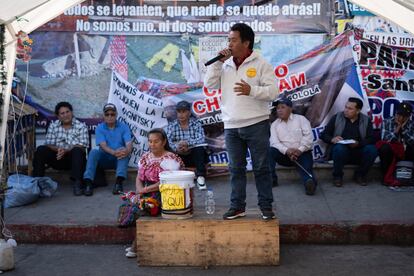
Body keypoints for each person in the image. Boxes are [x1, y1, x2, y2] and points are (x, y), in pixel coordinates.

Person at [204, 23, 278, 220]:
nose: (229, 43)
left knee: (261, 168)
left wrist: (252, 90)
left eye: (233, 40)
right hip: (231, 126)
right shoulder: (225, 64)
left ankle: (265, 206)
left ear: (246, 43)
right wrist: (218, 62)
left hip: (257, 124)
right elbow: (209, 85)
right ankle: (237, 206)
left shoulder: (261, 63)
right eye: (228, 40)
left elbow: (273, 92)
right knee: (236, 169)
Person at [125, 128, 184, 258]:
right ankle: (138, 242)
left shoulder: (171, 159)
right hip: (146, 191)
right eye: (150, 142)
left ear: (163, 142)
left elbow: (166, 182)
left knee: (143, 208)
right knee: (129, 205)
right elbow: (139, 177)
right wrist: (139, 191)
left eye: (156, 141)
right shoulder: (146, 157)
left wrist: (144, 190)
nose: (152, 144)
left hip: (165, 194)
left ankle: (136, 245)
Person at [33, 101, 89, 196]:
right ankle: (38, 183)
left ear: (72, 113)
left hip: (74, 160)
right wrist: (59, 150)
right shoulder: (54, 126)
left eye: (68, 112)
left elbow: (83, 146)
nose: (66, 115)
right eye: (62, 113)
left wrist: (66, 150)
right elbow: (49, 144)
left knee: (77, 150)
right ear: (58, 116)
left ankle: (78, 184)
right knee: (41, 149)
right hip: (57, 157)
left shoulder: (81, 126)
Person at [321, 97, 378, 187]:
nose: (346, 110)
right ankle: (337, 176)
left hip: (358, 151)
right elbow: (323, 135)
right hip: (341, 152)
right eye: (346, 107)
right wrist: (332, 139)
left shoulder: (366, 120)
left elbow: (371, 139)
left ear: (358, 111)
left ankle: (360, 175)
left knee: (372, 150)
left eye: (350, 108)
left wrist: (358, 143)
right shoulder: (337, 117)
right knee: (339, 148)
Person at [269, 98, 317, 195]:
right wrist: (287, 150)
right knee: (270, 151)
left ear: (290, 109)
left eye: (283, 107)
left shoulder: (301, 119)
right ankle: (272, 180)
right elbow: (274, 142)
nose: (279, 110)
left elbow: (308, 137)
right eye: (278, 108)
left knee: (307, 169)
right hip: (284, 156)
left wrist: (299, 150)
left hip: (302, 154)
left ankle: (309, 184)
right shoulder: (274, 125)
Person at [83, 103, 132, 196]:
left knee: (124, 152)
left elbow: (129, 143)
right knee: (93, 152)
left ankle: (118, 183)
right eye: (107, 114)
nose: (110, 116)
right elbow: (103, 146)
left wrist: (126, 150)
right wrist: (114, 152)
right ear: (104, 116)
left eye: (112, 114)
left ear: (116, 115)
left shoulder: (124, 127)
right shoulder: (100, 128)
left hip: (118, 159)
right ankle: (88, 183)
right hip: (105, 158)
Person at [166, 100, 208, 190]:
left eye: (184, 111)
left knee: (199, 148)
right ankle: (172, 178)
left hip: (194, 156)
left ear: (189, 113)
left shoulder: (196, 123)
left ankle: (201, 177)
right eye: (179, 112)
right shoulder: (172, 125)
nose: (181, 114)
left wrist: (187, 144)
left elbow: (201, 138)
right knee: (167, 150)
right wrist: (177, 147)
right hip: (179, 156)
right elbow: (168, 141)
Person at [377, 102, 413, 185]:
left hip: (406, 151)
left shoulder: (411, 124)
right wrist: (397, 130)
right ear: (396, 112)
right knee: (384, 148)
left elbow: (412, 140)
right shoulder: (387, 121)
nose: (400, 117)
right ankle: (385, 176)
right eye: (399, 114)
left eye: (404, 116)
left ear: (408, 116)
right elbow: (385, 139)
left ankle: (410, 177)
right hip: (392, 150)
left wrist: (403, 129)